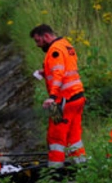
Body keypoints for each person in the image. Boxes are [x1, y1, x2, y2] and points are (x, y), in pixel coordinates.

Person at [30, 24, 86, 170]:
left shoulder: (54, 50)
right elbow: (66, 68)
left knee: (55, 137)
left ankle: (55, 173)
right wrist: (45, 71)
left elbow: (58, 74)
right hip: (77, 97)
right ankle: (81, 167)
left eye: (38, 41)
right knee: (74, 137)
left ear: (46, 36)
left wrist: (53, 97)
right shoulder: (66, 45)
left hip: (62, 101)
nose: (37, 45)